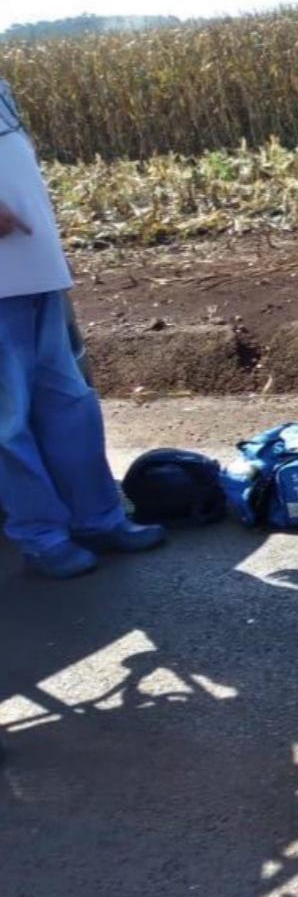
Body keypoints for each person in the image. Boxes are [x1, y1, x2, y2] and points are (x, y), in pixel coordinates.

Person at [0, 76, 167, 578]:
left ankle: (98, 519)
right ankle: (42, 537)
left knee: (68, 402)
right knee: (9, 422)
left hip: (35, 270)